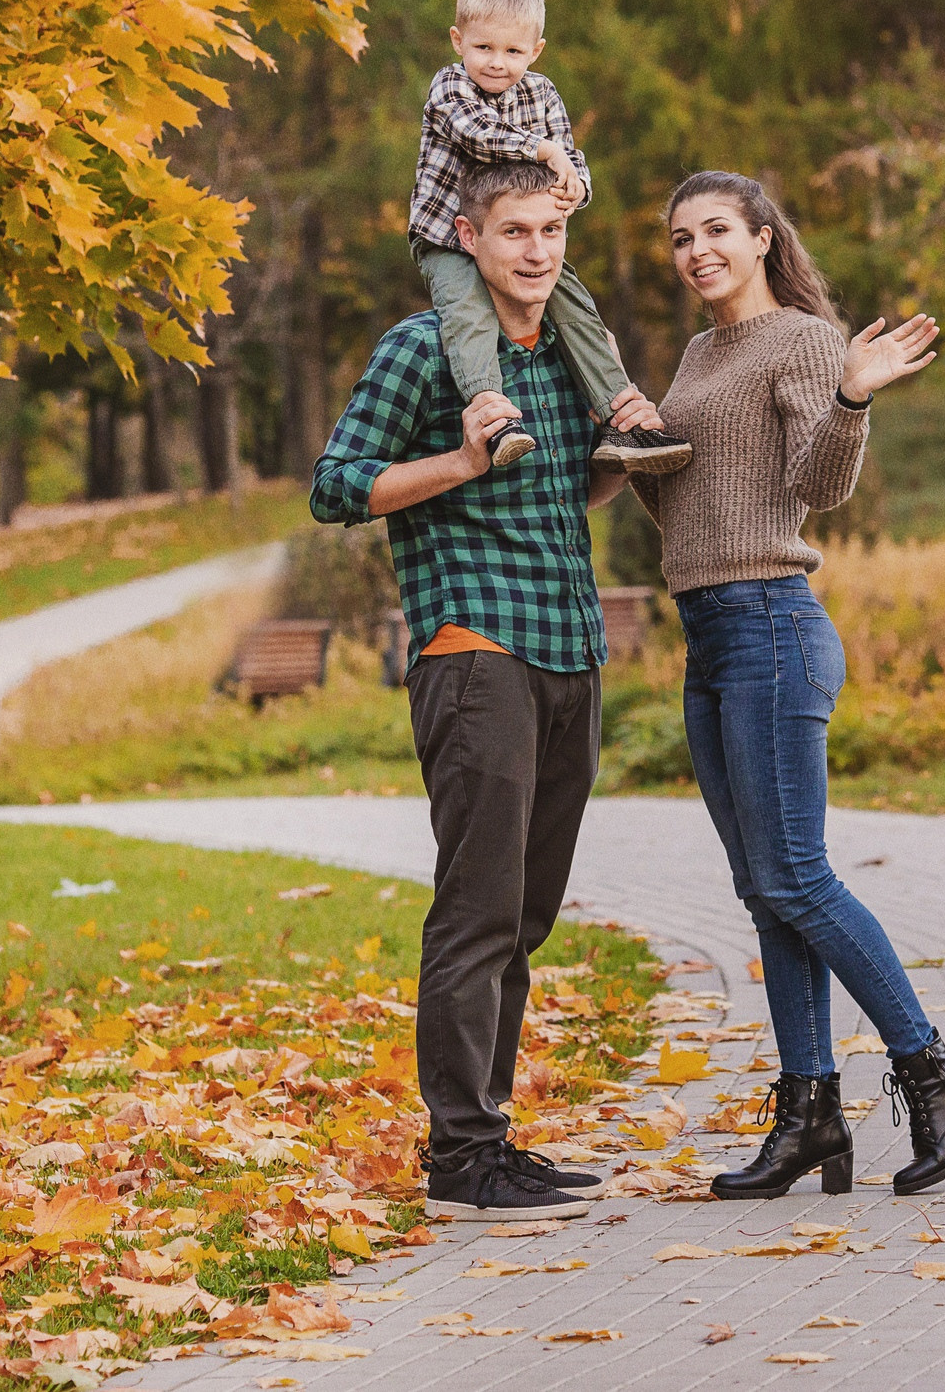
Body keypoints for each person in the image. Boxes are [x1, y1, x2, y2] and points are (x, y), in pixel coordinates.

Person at [634, 169, 945, 1201]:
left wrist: (849, 396)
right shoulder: (699, 353)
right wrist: (632, 453)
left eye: (715, 229)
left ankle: (932, 1070)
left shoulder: (802, 340)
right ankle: (809, 1117)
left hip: (770, 626)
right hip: (709, 633)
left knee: (795, 874)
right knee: (764, 892)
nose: (695, 249)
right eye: (678, 238)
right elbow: (690, 509)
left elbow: (817, 487)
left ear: (761, 238)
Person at [311, 160, 667, 1220]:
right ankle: (461, 1155)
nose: (536, 251)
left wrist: (622, 456)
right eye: (514, 231)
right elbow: (336, 487)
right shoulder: (425, 351)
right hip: (474, 652)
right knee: (477, 912)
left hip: (568, 648)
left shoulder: (565, 353)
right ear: (468, 238)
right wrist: (463, 464)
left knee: (526, 914)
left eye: (551, 231)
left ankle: (491, 1139)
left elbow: (574, 490)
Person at [409, 0, 690, 477]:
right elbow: (479, 136)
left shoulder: (542, 93)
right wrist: (543, 152)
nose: (497, 63)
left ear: (535, 51)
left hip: (517, 240)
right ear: (457, 40)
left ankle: (620, 418)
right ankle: (494, 420)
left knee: (577, 307)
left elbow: (570, 159)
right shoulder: (448, 88)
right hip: (447, 235)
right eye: (483, 48)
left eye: (513, 51)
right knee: (468, 313)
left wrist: (576, 186)